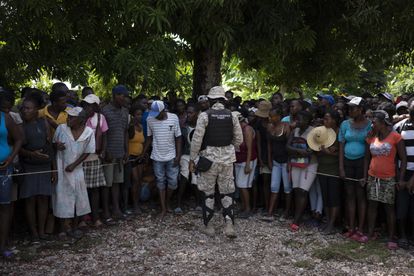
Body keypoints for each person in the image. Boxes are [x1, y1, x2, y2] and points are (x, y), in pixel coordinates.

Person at [189, 86, 243, 238]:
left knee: (208, 192)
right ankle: (229, 225)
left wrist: (192, 159)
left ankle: (209, 226)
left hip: (209, 159)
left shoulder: (204, 115)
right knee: (227, 191)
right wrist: (227, 145)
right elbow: (239, 139)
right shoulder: (232, 115)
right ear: (224, 100)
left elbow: (197, 139)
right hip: (227, 159)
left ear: (211, 100)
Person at [364, 110, 406, 250]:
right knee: (372, 206)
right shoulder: (371, 136)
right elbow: (366, 158)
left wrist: (400, 179)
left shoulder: (395, 137)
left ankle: (391, 237)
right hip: (372, 176)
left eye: (374, 122)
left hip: (389, 178)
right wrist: (365, 176)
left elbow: (403, 159)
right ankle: (370, 233)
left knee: (389, 208)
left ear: (382, 123)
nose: (372, 124)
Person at [53, 107, 95, 239]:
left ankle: (75, 226)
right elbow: (53, 144)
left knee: (78, 197)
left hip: (76, 169)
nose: (68, 119)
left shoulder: (88, 132)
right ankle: (62, 229)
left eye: (72, 117)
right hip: (61, 166)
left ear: (81, 120)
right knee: (61, 197)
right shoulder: (61, 128)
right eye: (68, 116)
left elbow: (88, 151)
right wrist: (57, 146)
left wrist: (74, 165)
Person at [19, 93, 54, 242]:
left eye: (28, 108)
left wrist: (52, 166)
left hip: (44, 165)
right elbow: (17, 148)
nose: (25, 111)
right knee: (30, 200)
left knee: (43, 199)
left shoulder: (44, 122)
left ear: (36, 110)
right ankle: (33, 232)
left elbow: (49, 145)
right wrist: (31, 154)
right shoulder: (20, 127)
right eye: (23, 108)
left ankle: (42, 230)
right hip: (29, 166)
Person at [338, 97, 372, 243]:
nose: (350, 111)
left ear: (361, 110)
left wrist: (365, 173)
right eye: (350, 108)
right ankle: (351, 227)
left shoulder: (370, 125)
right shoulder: (345, 124)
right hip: (347, 161)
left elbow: (369, 149)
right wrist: (341, 167)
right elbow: (341, 146)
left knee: (360, 195)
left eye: (354, 108)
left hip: (362, 162)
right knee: (350, 194)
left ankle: (361, 228)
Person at [142, 100, 182, 219]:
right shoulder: (150, 119)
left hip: (171, 156)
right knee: (160, 182)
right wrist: (143, 153)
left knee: (173, 182)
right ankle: (163, 208)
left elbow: (178, 137)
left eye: (157, 114)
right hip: (157, 156)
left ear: (163, 110)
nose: (155, 116)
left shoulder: (173, 118)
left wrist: (178, 155)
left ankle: (166, 202)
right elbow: (149, 138)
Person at [308, 111, 341, 234]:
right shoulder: (322, 132)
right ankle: (327, 221)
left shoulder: (339, 132)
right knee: (325, 197)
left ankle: (332, 224)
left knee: (333, 198)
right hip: (322, 167)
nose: (324, 121)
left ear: (334, 120)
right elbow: (316, 148)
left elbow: (340, 153)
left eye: (327, 119)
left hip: (334, 169)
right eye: (324, 119)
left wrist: (328, 152)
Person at [0, 89, 23, 257]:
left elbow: (19, 138)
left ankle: (2, 246)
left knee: (5, 206)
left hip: (4, 167)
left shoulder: (5, 118)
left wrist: (11, 158)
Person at [101, 85, 129, 220]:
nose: (125, 98)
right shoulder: (105, 111)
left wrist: (126, 150)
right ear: (116, 95)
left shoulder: (125, 111)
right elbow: (102, 133)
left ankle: (116, 209)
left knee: (117, 182)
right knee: (107, 183)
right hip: (108, 154)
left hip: (120, 153)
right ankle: (106, 211)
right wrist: (105, 151)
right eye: (123, 96)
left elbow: (124, 132)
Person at [80, 94, 108, 227]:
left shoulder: (100, 118)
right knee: (81, 189)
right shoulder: (80, 117)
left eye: (90, 105)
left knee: (95, 189)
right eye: (85, 105)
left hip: (94, 156)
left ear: (96, 107)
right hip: (79, 158)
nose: (87, 108)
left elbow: (105, 135)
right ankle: (82, 218)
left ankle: (95, 217)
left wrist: (103, 151)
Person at [287, 111, 317, 232]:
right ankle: (298, 215)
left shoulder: (314, 131)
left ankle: (297, 220)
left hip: (310, 164)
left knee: (303, 191)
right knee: (297, 190)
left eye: (301, 119)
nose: (298, 121)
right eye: (297, 119)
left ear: (307, 120)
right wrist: (300, 151)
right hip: (296, 162)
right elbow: (287, 146)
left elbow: (316, 149)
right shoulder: (295, 131)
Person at [264, 106, 291, 221]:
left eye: (272, 116)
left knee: (287, 188)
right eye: (269, 116)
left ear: (279, 116)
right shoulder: (270, 127)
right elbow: (269, 145)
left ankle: (286, 212)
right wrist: (270, 160)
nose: (270, 118)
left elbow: (289, 147)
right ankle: (270, 213)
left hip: (286, 161)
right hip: (275, 161)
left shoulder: (286, 127)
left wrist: (290, 162)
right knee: (274, 187)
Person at [394, 99, 414, 249]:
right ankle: (402, 236)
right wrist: (400, 178)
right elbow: (394, 154)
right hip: (403, 172)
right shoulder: (399, 127)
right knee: (402, 206)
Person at [177, 104, 200, 214]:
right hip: (186, 155)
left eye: (191, 113)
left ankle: (199, 203)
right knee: (184, 177)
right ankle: (178, 204)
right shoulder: (184, 127)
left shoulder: (201, 127)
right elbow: (180, 143)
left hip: (198, 156)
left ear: (197, 114)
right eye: (188, 113)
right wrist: (179, 156)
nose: (188, 115)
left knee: (195, 179)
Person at [234, 109, 257, 218]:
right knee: (239, 185)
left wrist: (248, 164)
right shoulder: (237, 129)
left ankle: (247, 209)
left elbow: (250, 149)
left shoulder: (247, 129)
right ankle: (243, 207)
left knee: (243, 185)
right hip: (238, 159)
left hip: (248, 159)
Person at [254, 100, 272, 211]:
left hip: (274, 154)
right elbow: (259, 143)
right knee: (264, 181)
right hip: (263, 155)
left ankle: (269, 205)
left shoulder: (273, 123)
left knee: (270, 183)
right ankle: (265, 205)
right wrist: (260, 158)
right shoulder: (259, 125)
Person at [127, 105, 145, 214]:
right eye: (138, 114)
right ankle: (134, 205)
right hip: (131, 157)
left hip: (140, 156)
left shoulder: (142, 127)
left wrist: (143, 153)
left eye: (141, 114)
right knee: (135, 180)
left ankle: (137, 203)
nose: (140, 116)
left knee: (139, 181)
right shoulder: (131, 127)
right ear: (133, 115)